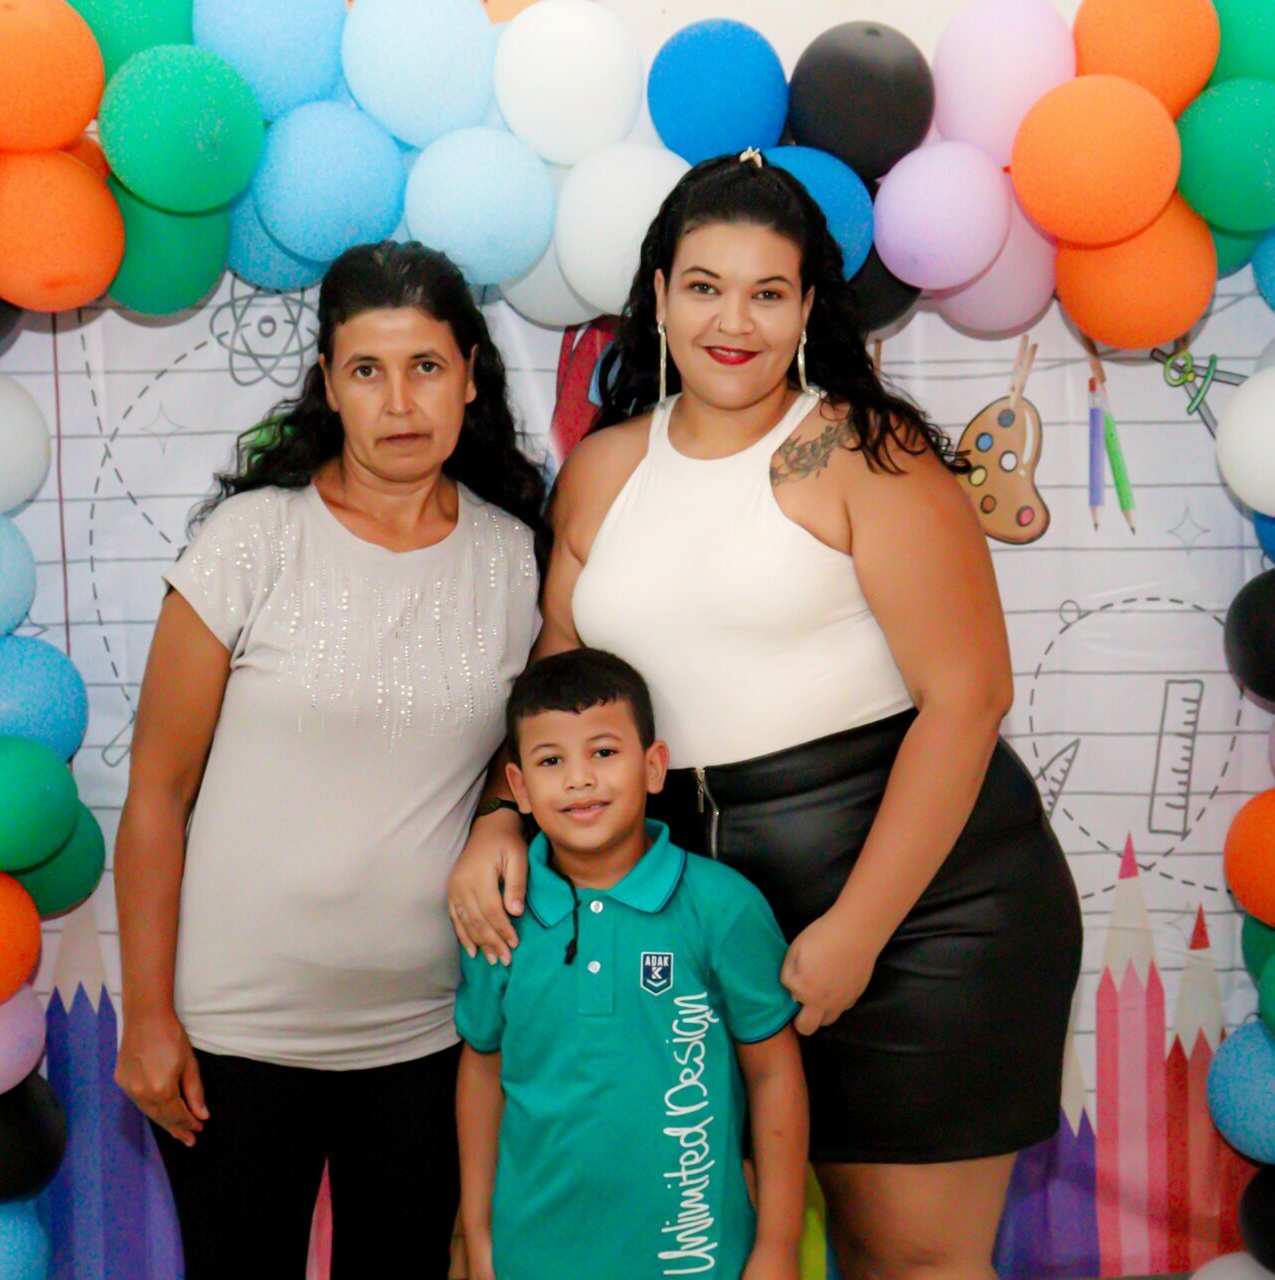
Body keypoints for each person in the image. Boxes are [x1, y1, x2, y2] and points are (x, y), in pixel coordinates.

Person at [448, 151, 1083, 1279]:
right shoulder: (601, 470)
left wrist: (859, 930)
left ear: (807, 307)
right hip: (692, 915)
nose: (732, 321)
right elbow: (559, 684)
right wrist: (501, 819)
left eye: (767, 292)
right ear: (658, 296)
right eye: (704, 286)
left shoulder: (870, 452)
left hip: (923, 911)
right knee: (700, 1246)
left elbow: (968, 697)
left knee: (910, 1257)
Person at [115, 242, 548, 1279]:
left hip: (428, 1036)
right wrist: (148, 1014)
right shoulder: (251, 541)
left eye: (426, 366)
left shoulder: (515, 558)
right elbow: (157, 795)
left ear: (471, 376)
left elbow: (533, 749)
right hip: (235, 1036)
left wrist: (501, 814)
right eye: (367, 370)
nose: (399, 401)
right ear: (328, 383)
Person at [455, 649, 809, 1280]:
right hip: (533, 1259)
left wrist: (779, 1245)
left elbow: (774, 1075)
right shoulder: (497, 917)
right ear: (520, 789)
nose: (579, 779)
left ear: (653, 767)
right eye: (551, 761)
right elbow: (482, 1074)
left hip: (696, 1259)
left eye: (603, 752)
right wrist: (478, 1235)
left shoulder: (721, 906)